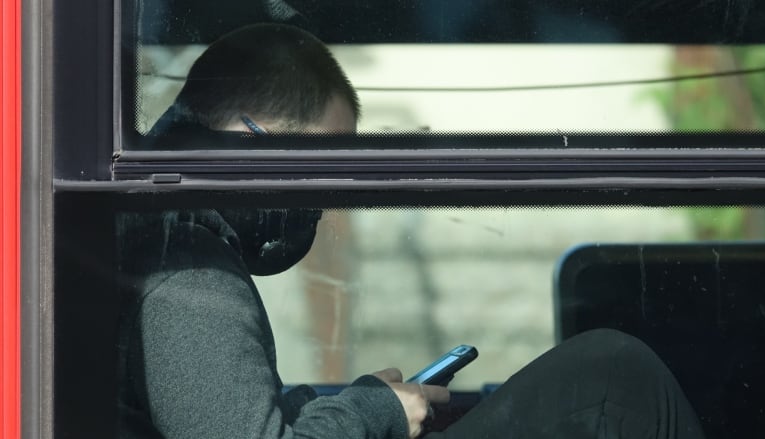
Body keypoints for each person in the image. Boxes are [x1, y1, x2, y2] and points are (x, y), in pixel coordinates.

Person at [117, 23, 706, 439]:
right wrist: (376, 415)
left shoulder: (175, 246)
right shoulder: (186, 277)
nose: (318, 206)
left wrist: (353, 405)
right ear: (252, 142)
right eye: (317, 175)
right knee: (612, 377)